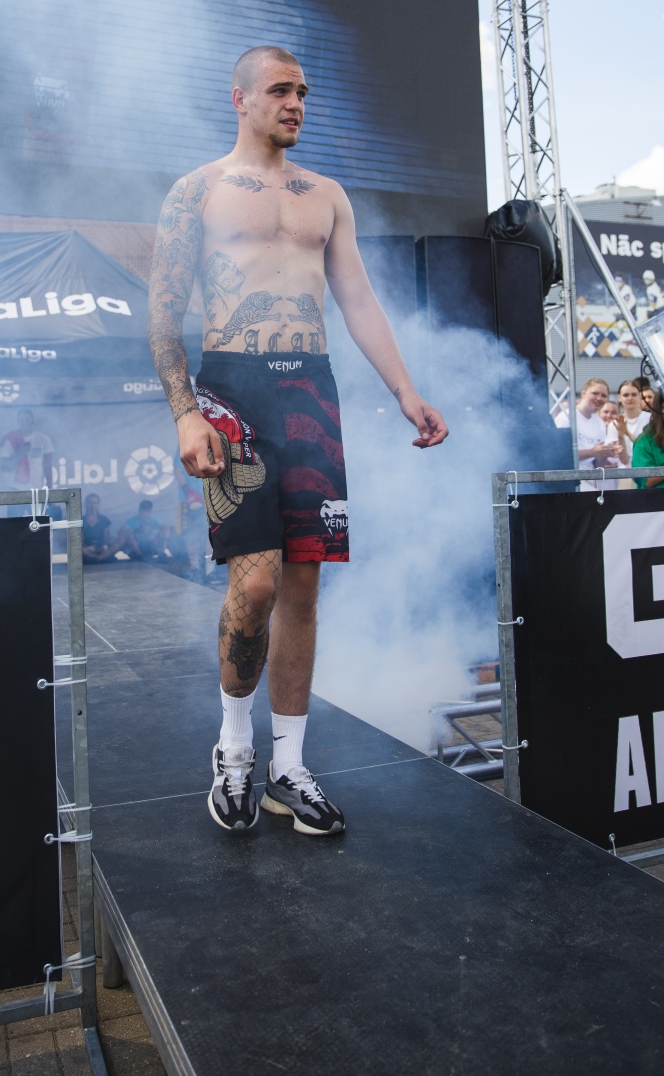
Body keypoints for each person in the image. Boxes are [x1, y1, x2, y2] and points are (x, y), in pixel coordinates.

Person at [147, 45, 447, 836]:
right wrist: (185, 412)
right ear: (240, 98)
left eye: (304, 92)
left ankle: (288, 768)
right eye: (281, 90)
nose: (296, 104)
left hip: (312, 388)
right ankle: (234, 747)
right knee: (254, 588)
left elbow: (359, 301)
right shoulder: (197, 191)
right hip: (232, 391)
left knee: (304, 590)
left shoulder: (327, 196)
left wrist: (406, 390)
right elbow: (163, 312)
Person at [572, 377, 621, 491]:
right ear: (583, 393)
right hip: (571, 480)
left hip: (591, 480)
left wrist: (606, 452)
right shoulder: (567, 417)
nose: (599, 398)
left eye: (603, 395)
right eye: (595, 393)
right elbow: (560, 456)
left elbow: (598, 465)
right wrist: (592, 452)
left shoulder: (599, 423)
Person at [0, 408, 54, 504]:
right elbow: (4, 467)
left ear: (32, 420)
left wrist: (50, 492)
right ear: (18, 421)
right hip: (16, 490)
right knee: (16, 514)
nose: (24, 422)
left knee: (39, 514)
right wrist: (19, 454)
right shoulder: (11, 440)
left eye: (27, 419)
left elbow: (47, 467)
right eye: (21, 419)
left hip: (37, 489)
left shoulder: (43, 439)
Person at [82, 493, 115, 562]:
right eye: (90, 503)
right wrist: (86, 547)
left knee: (116, 544)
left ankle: (99, 558)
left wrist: (104, 546)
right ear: (86, 504)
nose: (92, 506)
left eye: (95, 503)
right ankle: (98, 558)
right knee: (79, 548)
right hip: (88, 549)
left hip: (101, 548)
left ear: (98, 504)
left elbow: (106, 538)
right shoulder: (82, 520)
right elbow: (80, 538)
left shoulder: (104, 519)